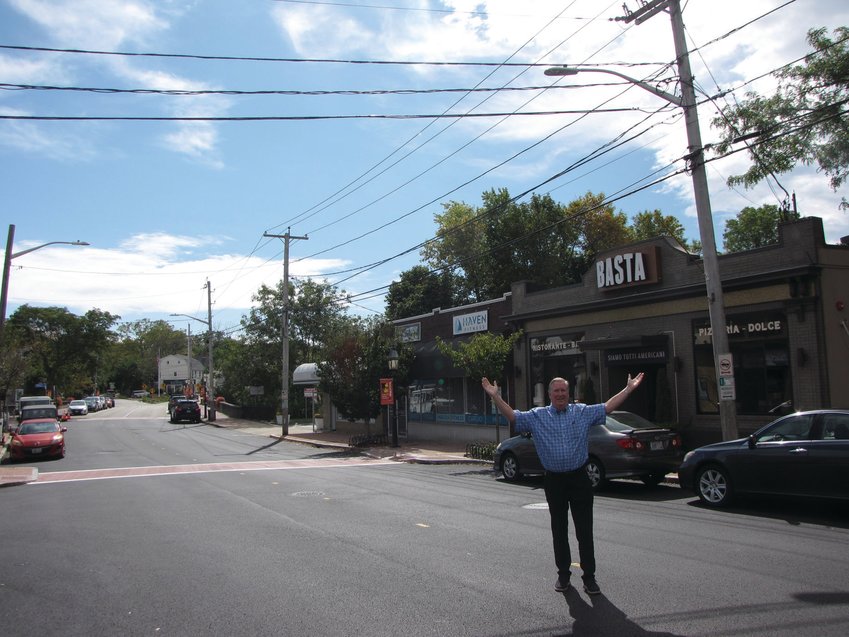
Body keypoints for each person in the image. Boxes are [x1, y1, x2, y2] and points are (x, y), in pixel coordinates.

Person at [482, 373, 644, 595]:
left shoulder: (582, 412)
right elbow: (513, 417)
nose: (560, 394)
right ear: (549, 394)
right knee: (559, 529)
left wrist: (629, 389)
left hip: (579, 478)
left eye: (564, 391)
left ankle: (589, 577)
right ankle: (563, 575)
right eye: (556, 391)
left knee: (584, 530)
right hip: (554, 480)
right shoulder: (537, 416)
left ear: (569, 394)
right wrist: (495, 397)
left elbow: (607, 407)